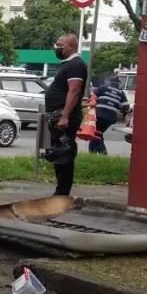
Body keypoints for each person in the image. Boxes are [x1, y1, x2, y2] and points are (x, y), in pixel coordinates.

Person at [42, 33, 88, 196]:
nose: (57, 48)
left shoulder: (75, 64)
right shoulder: (67, 64)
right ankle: (60, 190)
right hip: (58, 113)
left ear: (72, 46)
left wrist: (65, 116)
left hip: (63, 116)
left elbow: (74, 90)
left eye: (60, 45)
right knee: (58, 151)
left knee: (64, 152)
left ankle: (62, 192)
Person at [89, 76, 131, 155]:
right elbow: (126, 108)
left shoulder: (103, 88)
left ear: (110, 82)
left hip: (99, 115)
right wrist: (130, 110)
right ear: (118, 83)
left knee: (96, 134)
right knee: (97, 133)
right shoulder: (121, 93)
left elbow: (92, 97)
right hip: (110, 118)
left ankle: (102, 152)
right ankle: (93, 153)